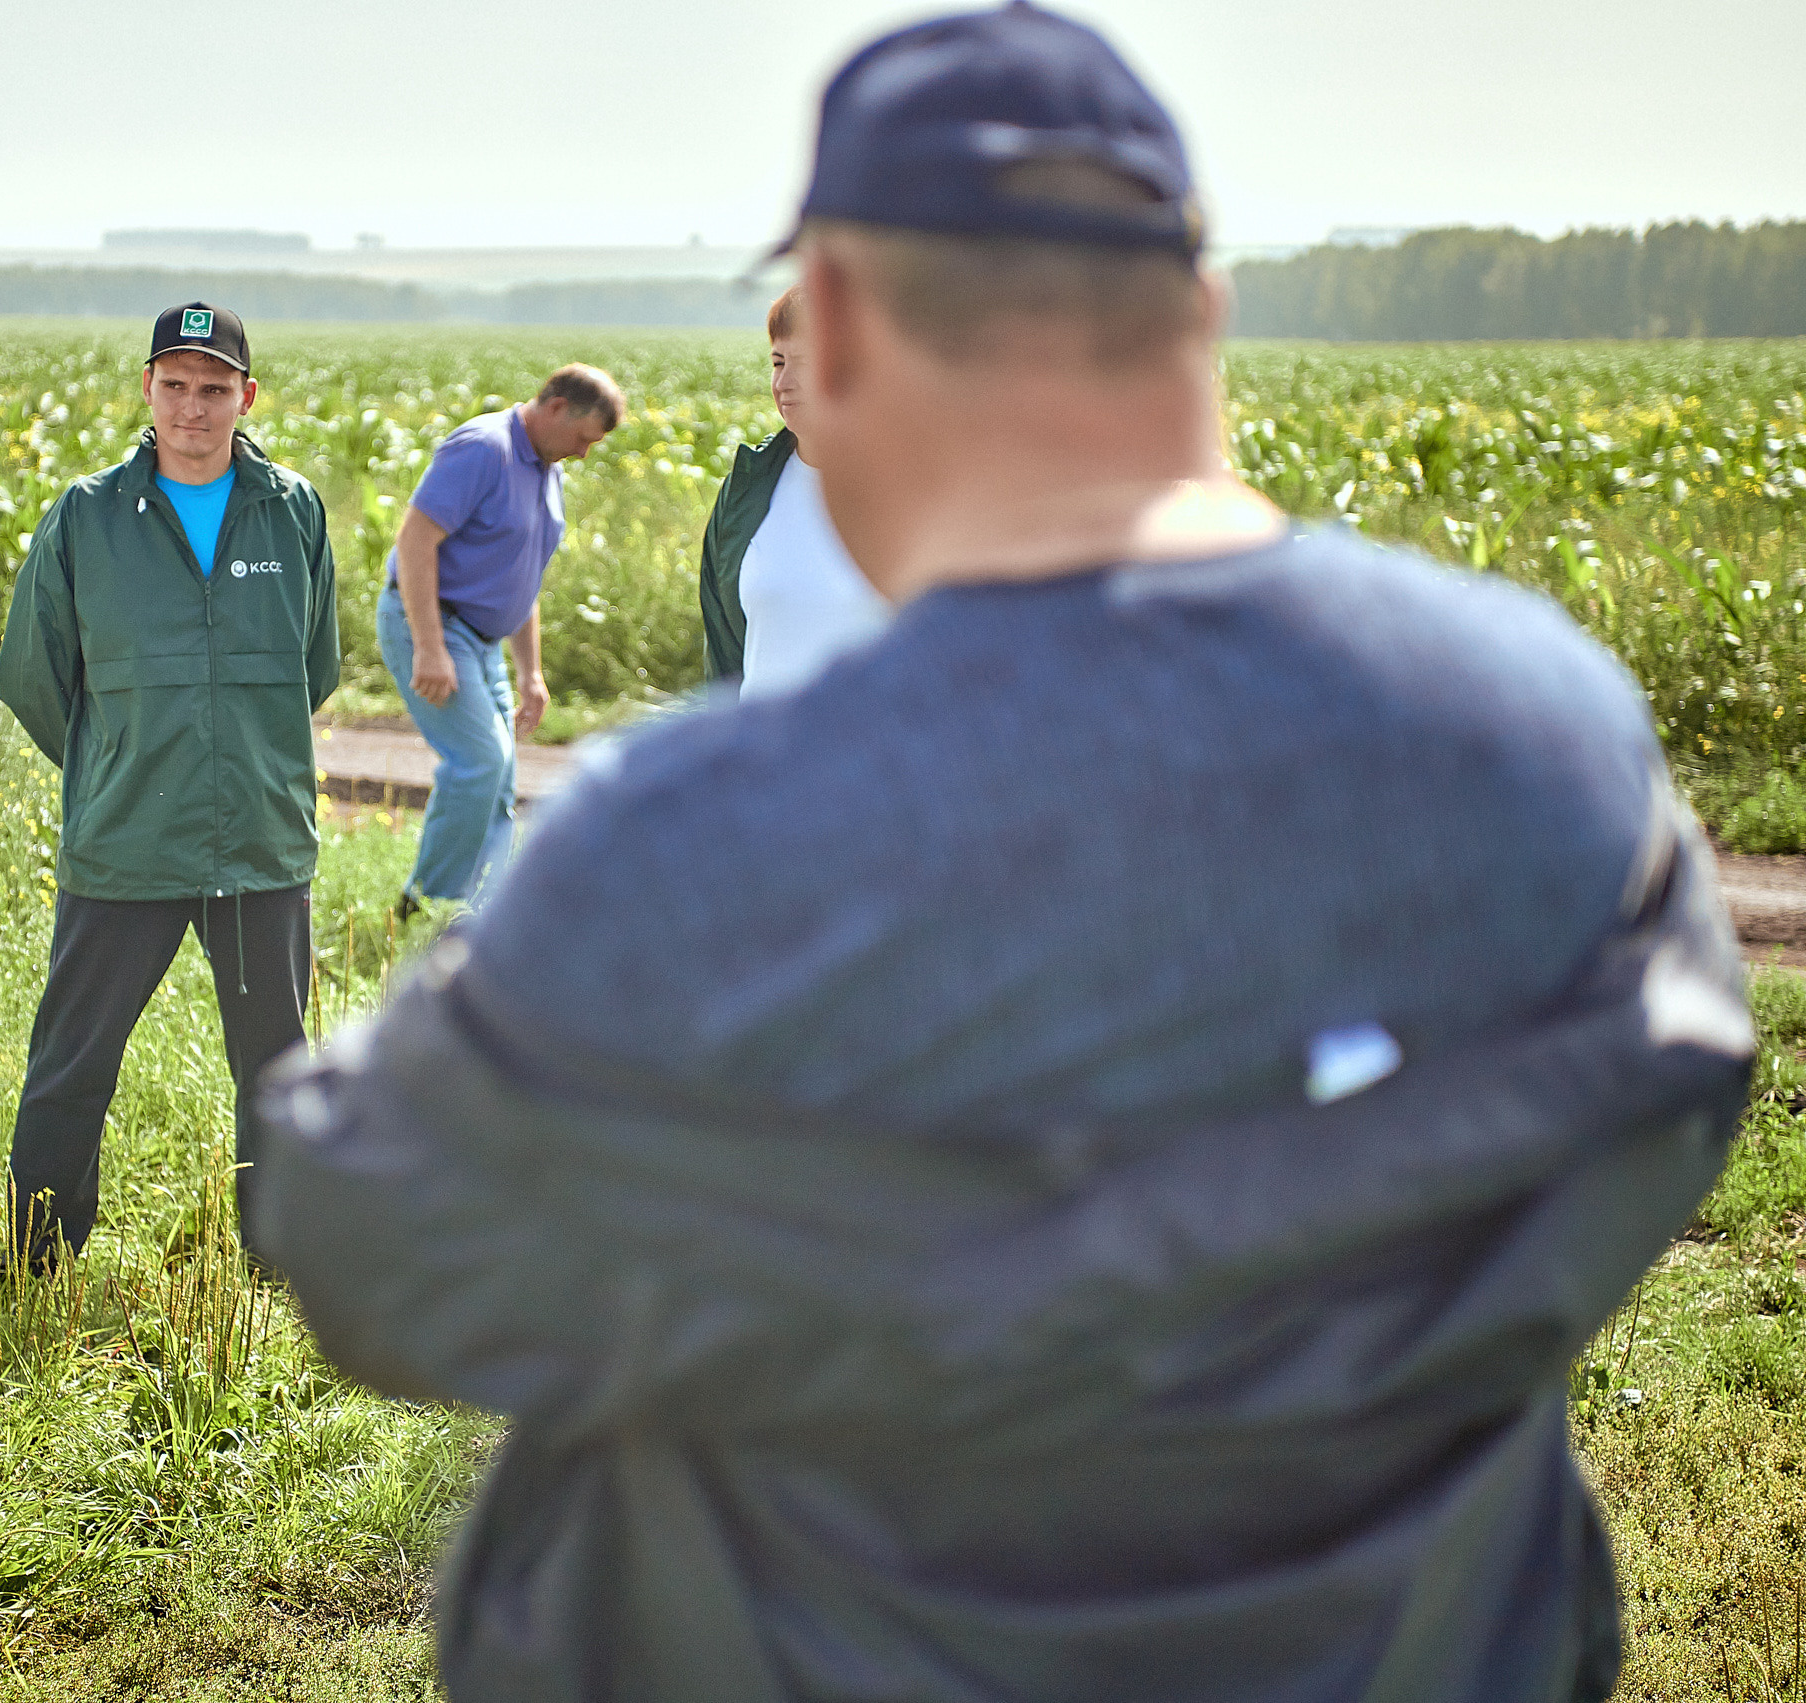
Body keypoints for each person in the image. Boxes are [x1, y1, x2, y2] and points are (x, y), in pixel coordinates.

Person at [250, 8, 1755, 1700]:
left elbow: (374, 1242)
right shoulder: (1546, 729)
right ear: (1201, 309)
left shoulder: (688, 839)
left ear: (832, 326)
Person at [0, 301, 339, 1266]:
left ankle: (278, 1263)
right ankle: (36, 1259)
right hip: (125, 843)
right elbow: (32, 673)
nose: (195, 406)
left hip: (260, 843)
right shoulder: (86, 515)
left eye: (215, 387)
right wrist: (118, 764)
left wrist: (239, 759)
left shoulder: (294, 509)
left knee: (276, 1069)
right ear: (147, 388)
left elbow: (316, 664)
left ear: (247, 395)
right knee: (72, 1065)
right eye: (177, 384)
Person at [379, 364, 621, 913]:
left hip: (483, 639)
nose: (584, 454)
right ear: (556, 407)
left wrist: (530, 672)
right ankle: (425, 906)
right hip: (433, 622)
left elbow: (521, 578)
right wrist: (430, 645)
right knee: (479, 761)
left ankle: (481, 914)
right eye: (583, 439)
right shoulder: (484, 449)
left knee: (501, 774)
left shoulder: (547, 468)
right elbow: (416, 542)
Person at [697, 284, 891, 693]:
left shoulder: (918, 492)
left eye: (802, 361)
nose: (784, 382)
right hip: (763, 756)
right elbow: (725, 652)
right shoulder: (746, 491)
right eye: (778, 361)